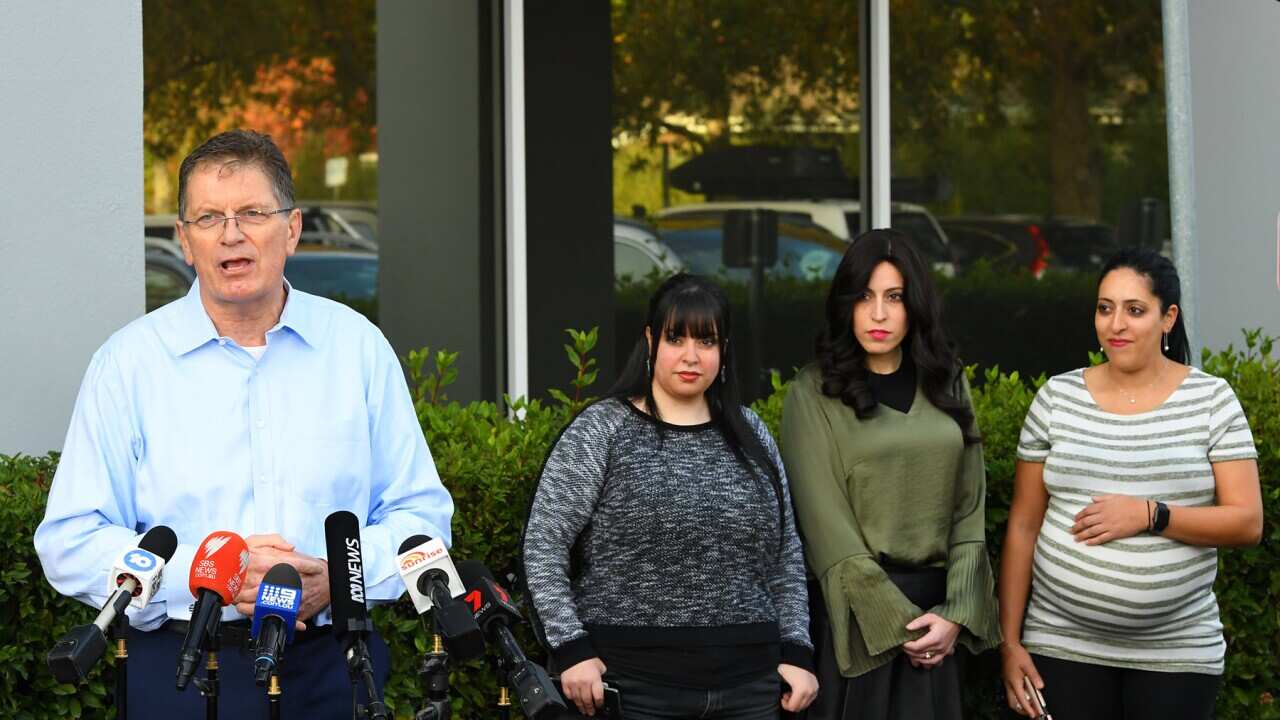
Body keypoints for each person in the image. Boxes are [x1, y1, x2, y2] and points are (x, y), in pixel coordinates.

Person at [34, 130, 453, 717]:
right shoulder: (128, 365)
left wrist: (340, 576)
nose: (231, 233)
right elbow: (71, 539)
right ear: (184, 241)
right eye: (208, 217)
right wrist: (213, 575)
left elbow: (422, 519)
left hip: (334, 665)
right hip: (179, 667)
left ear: (293, 228)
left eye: (253, 212)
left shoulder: (357, 348)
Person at [523, 273, 819, 719]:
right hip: (633, 687)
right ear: (649, 340)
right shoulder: (603, 430)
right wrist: (570, 648)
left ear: (724, 349)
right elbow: (544, 543)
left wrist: (797, 651)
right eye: (675, 338)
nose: (691, 356)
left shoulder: (751, 432)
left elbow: (785, 554)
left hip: (752, 688)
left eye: (706, 341)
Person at [999, 247, 1262, 719]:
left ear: (1169, 318)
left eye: (1134, 310)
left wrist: (1150, 514)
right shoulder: (1058, 398)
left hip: (1177, 652)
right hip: (1060, 644)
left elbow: (1247, 523)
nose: (1115, 324)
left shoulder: (1211, 401)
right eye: (1105, 308)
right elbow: (1022, 525)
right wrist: (1011, 642)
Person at [781, 229, 1001, 720]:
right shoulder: (812, 392)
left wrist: (956, 616)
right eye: (864, 296)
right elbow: (828, 534)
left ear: (914, 304)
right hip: (859, 628)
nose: (878, 314)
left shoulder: (948, 380)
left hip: (937, 626)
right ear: (845, 305)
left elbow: (969, 510)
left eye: (894, 297)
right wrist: (903, 628)